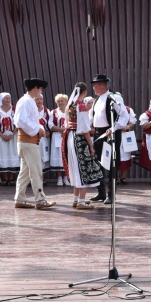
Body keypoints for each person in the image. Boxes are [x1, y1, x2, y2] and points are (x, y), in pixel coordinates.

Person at [14, 78, 55, 210]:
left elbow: (23, 121)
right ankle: (40, 199)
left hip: (26, 141)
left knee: (25, 172)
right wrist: (38, 128)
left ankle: (19, 198)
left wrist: (37, 128)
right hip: (28, 142)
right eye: (41, 88)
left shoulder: (27, 100)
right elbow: (21, 121)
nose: (41, 91)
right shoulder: (26, 101)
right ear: (35, 88)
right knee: (36, 170)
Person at [89, 74, 130, 205]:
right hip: (98, 134)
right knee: (98, 164)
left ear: (101, 85)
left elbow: (124, 116)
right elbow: (92, 117)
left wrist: (113, 128)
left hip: (110, 133)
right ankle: (101, 192)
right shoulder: (97, 99)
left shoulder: (114, 97)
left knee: (111, 164)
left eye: (95, 86)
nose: (94, 88)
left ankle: (111, 194)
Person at [62, 82, 102, 210]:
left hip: (69, 137)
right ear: (84, 92)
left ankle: (76, 199)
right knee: (83, 168)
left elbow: (67, 122)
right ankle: (81, 201)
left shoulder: (70, 105)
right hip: (79, 138)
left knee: (74, 167)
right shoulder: (81, 106)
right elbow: (85, 128)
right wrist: (91, 145)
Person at [0, 92, 20, 186]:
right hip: (1, 136)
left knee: (13, 153)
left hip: (13, 135)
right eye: (5, 98)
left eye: (9, 98)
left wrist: (13, 134)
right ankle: (5, 178)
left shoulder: (15, 110)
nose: (8, 100)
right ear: (1, 100)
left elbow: (18, 123)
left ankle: (12, 178)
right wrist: (2, 135)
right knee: (3, 153)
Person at [116, 93, 137, 185]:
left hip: (125, 134)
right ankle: (114, 176)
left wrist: (127, 126)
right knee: (115, 155)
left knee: (125, 155)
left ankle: (123, 176)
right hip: (114, 135)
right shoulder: (111, 109)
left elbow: (132, 122)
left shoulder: (128, 109)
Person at [49, 94, 69, 186]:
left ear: (66, 102)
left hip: (67, 136)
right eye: (59, 101)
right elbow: (50, 125)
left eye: (62, 101)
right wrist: (61, 130)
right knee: (58, 157)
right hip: (57, 136)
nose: (60, 103)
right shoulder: (53, 112)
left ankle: (66, 178)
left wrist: (66, 131)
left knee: (66, 156)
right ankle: (59, 178)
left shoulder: (69, 111)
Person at [36, 94, 53, 179]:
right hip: (35, 137)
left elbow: (51, 123)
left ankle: (42, 178)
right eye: (37, 99)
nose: (39, 101)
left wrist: (49, 132)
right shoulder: (31, 110)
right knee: (36, 156)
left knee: (44, 156)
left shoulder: (47, 111)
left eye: (41, 99)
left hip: (45, 137)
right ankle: (36, 178)